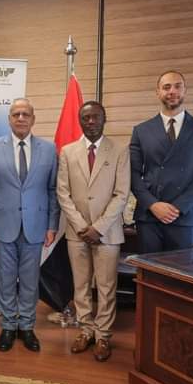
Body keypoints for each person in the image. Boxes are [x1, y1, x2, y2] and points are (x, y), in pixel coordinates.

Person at [0, 98, 59, 353]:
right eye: (16, 114)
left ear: (33, 119)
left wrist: (52, 225)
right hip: (3, 227)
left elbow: (53, 190)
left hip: (36, 226)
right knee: (5, 279)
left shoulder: (49, 149)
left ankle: (26, 326)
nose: (21, 118)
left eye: (25, 114)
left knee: (30, 280)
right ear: (9, 119)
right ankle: (7, 326)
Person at [57, 101, 130, 362]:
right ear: (80, 121)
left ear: (104, 119)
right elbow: (63, 193)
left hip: (107, 233)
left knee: (107, 286)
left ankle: (103, 336)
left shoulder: (120, 150)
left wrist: (98, 228)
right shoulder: (67, 152)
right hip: (76, 233)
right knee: (81, 285)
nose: (91, 122)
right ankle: (86, 330)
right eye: (86, 118)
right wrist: (81, 226)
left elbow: (122, 194)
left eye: (95, 117)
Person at [130, 71, 193, 253]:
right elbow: (132, 173)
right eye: (166, 87)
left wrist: (178, 207)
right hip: (149, 216)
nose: (172, 91)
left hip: (184, 216)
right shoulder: (141, 130)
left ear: (185, 90)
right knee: (148, 269)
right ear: (158, 92)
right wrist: (153, 204)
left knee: (180, 269)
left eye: (178, 86)